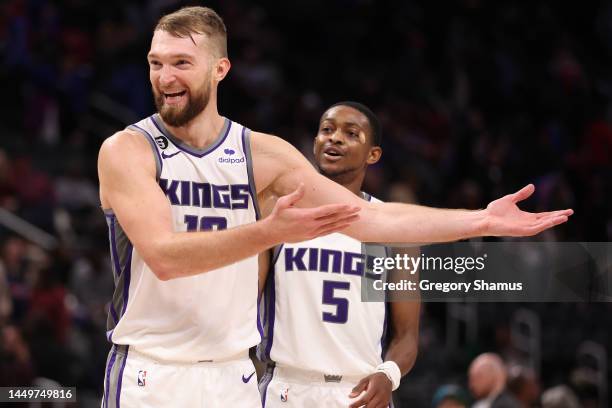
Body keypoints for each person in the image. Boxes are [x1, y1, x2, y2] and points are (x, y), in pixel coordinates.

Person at [96, 6, 573, 407]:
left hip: (233, 378)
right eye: (156, 63)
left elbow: (371, 217)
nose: (165, 77)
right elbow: (163, 256)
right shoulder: (128, 150)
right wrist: (270, 232)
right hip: (150, 372)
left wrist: (483, 220)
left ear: (220, 69)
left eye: (181, 63)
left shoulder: (263, 154)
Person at [257, 101, 420, 408]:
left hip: (360, 390)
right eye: (327, 130)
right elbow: (244, 302)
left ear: (373, 154)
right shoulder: (278, 213)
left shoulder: (393, 229)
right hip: (289, 387)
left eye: (351, 133)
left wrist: (389, 374)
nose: (334, 138)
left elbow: (407, 335)